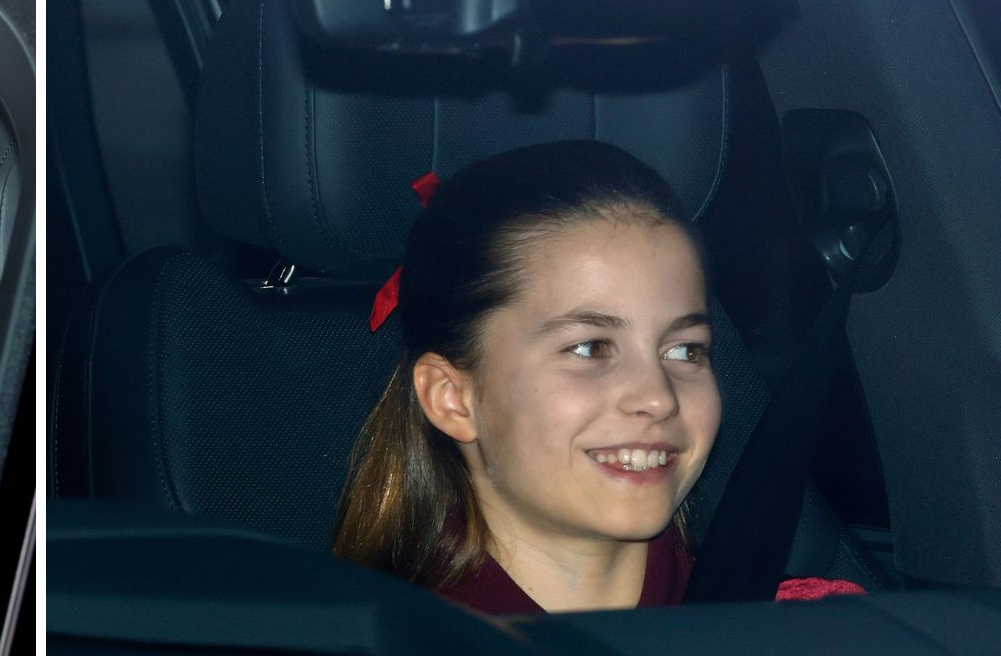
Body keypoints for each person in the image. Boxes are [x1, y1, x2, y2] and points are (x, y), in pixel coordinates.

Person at [332, 140, 863, 613]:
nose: (657, 398)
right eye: (589, 348)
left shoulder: (800, 637)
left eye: (684, 350)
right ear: (453, 398)